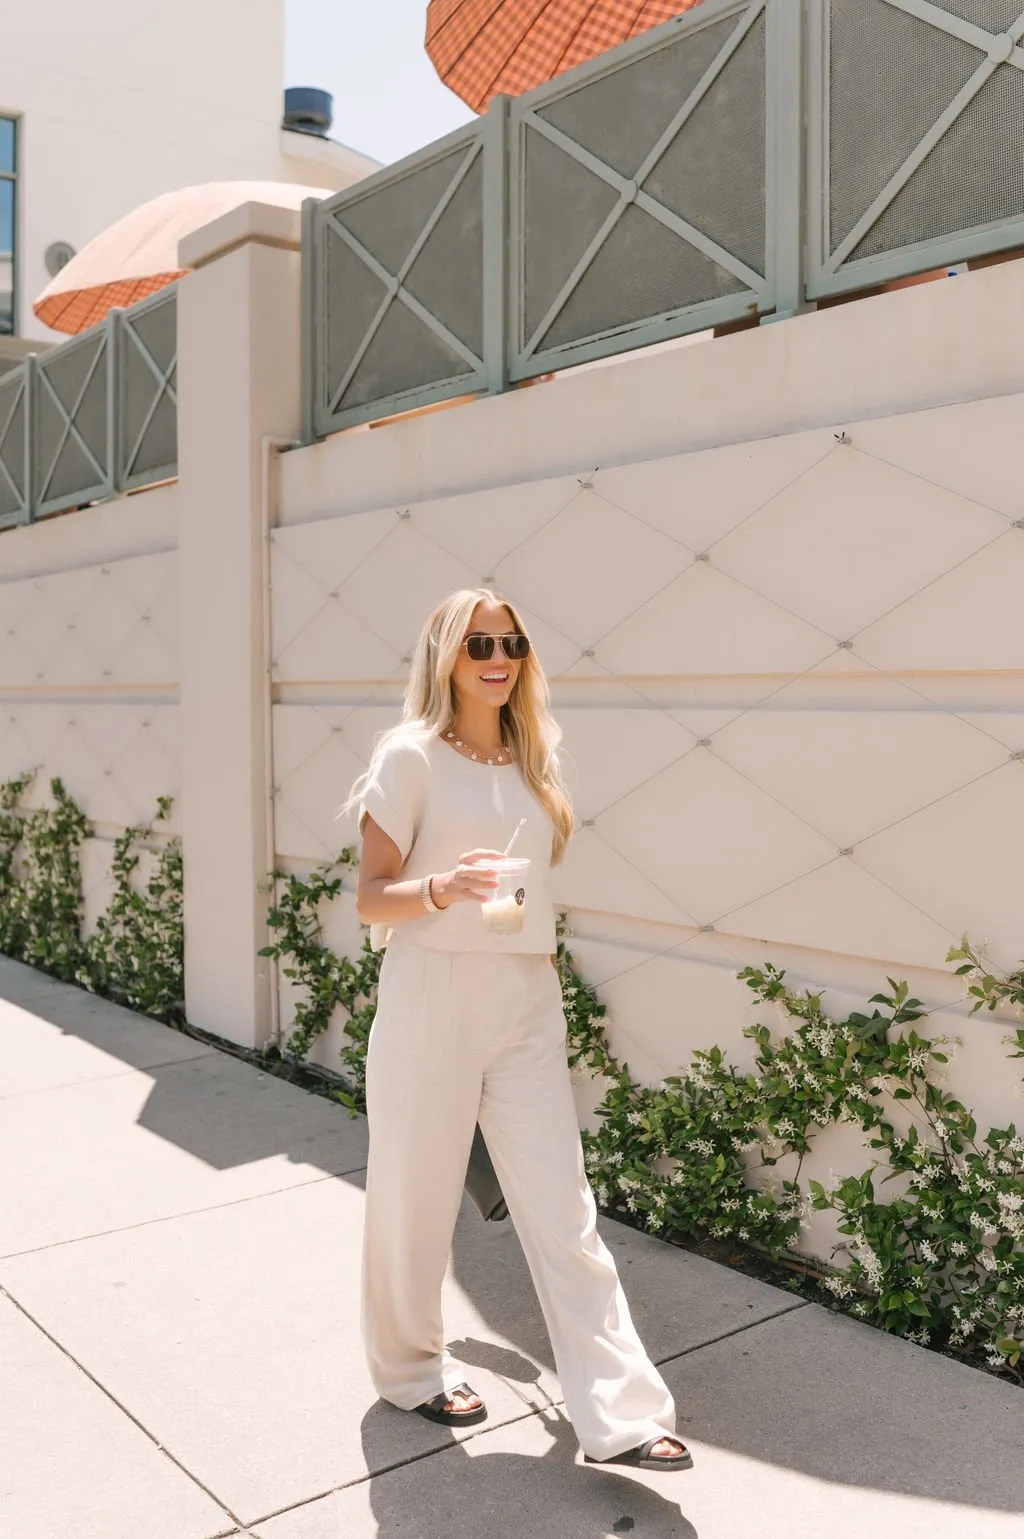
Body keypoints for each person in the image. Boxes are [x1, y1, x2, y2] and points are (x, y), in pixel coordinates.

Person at [344, 587, 690, 1472]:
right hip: (430, 993)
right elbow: (369, 893)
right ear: (446, 657)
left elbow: (527, 887)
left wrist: (507, 921)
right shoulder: (410, 756)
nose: (498, 656)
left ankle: (621, 1411)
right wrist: (440, 890)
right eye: (478, 643)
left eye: (513, 641)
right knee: (413, 1203)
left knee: (564, 1208)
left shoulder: (536, 757)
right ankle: (410, 1371)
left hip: (525, 996)